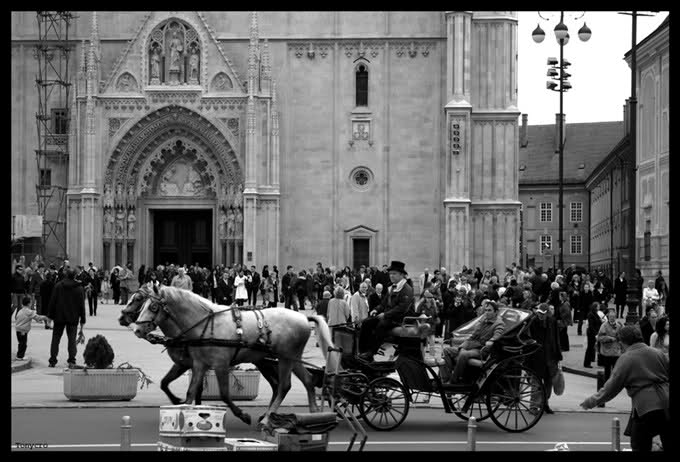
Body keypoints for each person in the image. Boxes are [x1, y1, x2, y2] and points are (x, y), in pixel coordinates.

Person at [580, 325, 669, 452]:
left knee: (639, 444)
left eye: (620, 341)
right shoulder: (658, 353)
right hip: (666, 402)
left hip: (646, 406)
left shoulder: (626, 358)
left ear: (623, 342)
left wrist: (591, 401)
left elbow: (611, 387)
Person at [358, 261, 415, 361]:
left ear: (402, 275)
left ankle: (371, 352)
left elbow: (401, 308)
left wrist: (385, 314)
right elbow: (383, 303)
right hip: (388, 316)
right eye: (390, 273)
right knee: (366, 322)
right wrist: (376, 309)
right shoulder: (392, 287)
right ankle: (362, 351)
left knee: (381, 325)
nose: (391, 276)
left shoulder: (407, 289)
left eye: (394, 274)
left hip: (399, 318)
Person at [440, 300, 505, 384]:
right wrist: (462, 347)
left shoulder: (499, 323)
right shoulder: (483, 321)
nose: (487, 312)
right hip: (471, 346)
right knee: (446, 350)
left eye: (489, 310)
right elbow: (472, 336)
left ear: (496, 312)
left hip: (481, 350)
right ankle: (446, 378)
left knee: (463, 354)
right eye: (485, 310)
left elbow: (498, 334)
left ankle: (454, 381)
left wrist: (492, 340)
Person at [527, 303, 563, 414]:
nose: (540, 315)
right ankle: (533, 406)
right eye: (539, 313)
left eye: (543, 313)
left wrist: (558, 356)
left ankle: (545, 404)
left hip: (550, 357)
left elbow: (556, 339)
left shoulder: (552, 322)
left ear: (547, 313)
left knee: (548, 383)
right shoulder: (533, 322)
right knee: (536, 383)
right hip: (537, 356)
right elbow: (528, 338)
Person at [47, 268, 87, 367]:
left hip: (59, 317)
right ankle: (71, 360)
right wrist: (83, 320)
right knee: (72, 340)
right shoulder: (79, 288)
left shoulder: (58, 286)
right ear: (75, 276)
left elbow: (52, 302)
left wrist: (50, 317)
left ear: (66, 275)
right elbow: (82, 306)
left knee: (55, 339)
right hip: (73, 318)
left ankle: (52, 360)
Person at [597, 309, 624, 385]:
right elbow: (600, 338)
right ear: (608, 317)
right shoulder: (604, 326)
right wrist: (609, 338)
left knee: (616, 370)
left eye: (613, 316)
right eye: (610, 316)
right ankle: (607, 384)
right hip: (607, 352)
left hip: (616, 352)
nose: (612, 318)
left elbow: (622, 337)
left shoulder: (619, 326)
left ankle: (614, 384)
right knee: (607, 370)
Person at [583, 302, 602, 368]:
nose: (599, 307)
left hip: (594, 332)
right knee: (590, 348)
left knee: (591, 348)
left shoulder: (595, 313)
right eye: (598, 306)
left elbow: (598, 321)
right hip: (591, 333)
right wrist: (595, 334)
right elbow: (591, 325)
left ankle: (589, 361)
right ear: (595, 307)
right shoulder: (591, 314)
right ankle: (586, 363)